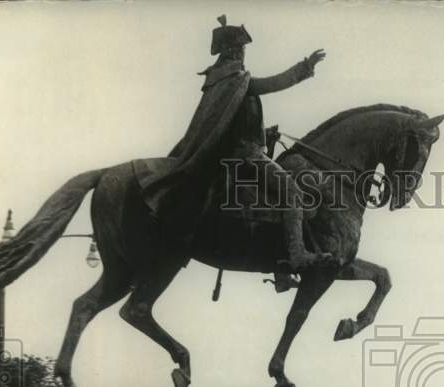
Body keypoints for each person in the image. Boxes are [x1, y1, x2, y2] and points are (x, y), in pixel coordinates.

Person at [137, 16, 334, 275]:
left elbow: (231, 124)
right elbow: (274, 83)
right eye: (241, 48)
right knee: (292, 192)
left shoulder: (222, 83)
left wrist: (264, 134)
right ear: (232, 50)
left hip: (241, 152)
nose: (243, 53)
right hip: (245, 157)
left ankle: (281, 270)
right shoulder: (235, 80)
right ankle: (297, 254)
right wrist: (305, 67)